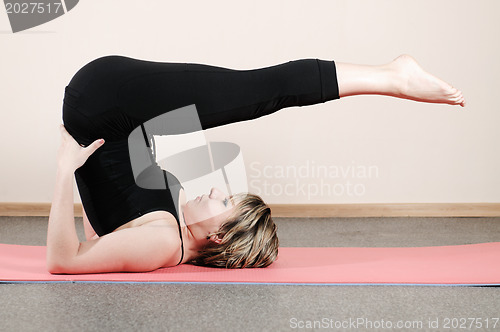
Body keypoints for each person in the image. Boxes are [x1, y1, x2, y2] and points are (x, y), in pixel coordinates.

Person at [47, 54, 465, 274]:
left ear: (219, 236)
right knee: (252, 93)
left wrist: (66, 169)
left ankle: (394, 77)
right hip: (114, 110)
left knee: (260, 90)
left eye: (223, 200)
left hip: (105, 100)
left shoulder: (163, 244)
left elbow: (65, 260)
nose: (214, 189)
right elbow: (101, 227)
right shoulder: (172, 227)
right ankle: (392, 77)